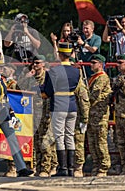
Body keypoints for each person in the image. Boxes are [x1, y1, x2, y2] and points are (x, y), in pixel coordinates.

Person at [41, 42, 85, 177]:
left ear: (59, 54)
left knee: (59, 136)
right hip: (72, 105)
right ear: (70, 54)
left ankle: (63, 167)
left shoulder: (54, 71)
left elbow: (47, 92)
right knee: (70, 135)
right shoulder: (76, 71)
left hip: (59, 105)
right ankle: (71, 168)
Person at [87, 54, 112, 177]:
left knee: (100, 142)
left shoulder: (102, 78)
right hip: (92, 114)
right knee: (92, 143)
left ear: (100, 65)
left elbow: (94, 95)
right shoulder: (93, 78)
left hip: (99, 115)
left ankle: (103, 166)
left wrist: (84, 101)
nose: (91, 65)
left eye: (94, 63)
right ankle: (96, 165)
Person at [69, 57, 90, 178]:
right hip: (68, 117)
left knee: (78, 143)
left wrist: (84, 120)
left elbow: (84, 104)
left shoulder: (79, 86)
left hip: (77, 119)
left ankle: (78, 167)